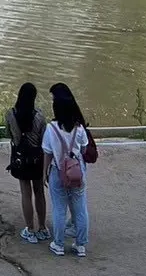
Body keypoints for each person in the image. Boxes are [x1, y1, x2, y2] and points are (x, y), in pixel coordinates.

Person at [42, 85, 91, 257]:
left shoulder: (51, 128)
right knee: (80, 208)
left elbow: (47, 153)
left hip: (57, 171)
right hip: (77, 171)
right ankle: (81, 244)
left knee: (59, 209)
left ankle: (59, 243)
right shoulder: (79, 128)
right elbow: (84, 150)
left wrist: (44, 174)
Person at [5, 82, 48, 242]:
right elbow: (44, 139)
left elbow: (8, 133)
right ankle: (43, 228)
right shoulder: (40, 116)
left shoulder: (10, 114)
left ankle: (30, 229)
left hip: (20, 158)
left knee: (26, 193)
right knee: (39, 192)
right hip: (37, 158)